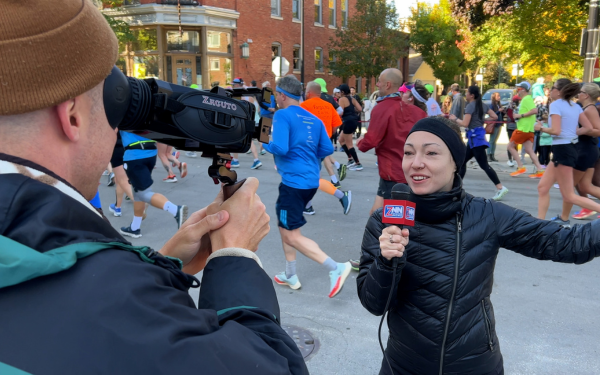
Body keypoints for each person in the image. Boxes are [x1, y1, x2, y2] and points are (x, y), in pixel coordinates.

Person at [0, 1, 308, 373]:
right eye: (113, 107)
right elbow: (269, 366)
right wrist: (235, 261)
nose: (116, 127)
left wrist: (162, 264)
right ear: (73, 117)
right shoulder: (115, 304)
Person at [357, 116, 600, 375]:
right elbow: (374, 304)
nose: (416, 163)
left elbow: (570, 243)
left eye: (431, 153)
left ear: (455, 163)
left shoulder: (487, 215)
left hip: (475, 365)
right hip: (402, 365)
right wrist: (385, 261)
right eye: (408, 153)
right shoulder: (385, 220)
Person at [263, 76, 352, 298]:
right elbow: (325, 150)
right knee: (286, 228)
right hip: (310, 182)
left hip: (293, 184)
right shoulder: (313, 119)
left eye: (276, 94)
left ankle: (336, 268)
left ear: (283, 95)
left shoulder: (282, 115)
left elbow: (280, 148)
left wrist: (265, 141)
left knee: (291, 235)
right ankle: (290, 274)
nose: (276, 98)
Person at [357, 68, 427, 216]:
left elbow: (371, 140)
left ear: (388, 84)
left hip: (393, 174)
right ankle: (374, 239)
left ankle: (383, 238)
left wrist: (360, 143)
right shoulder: (418, 113)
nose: (377, 84)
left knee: (393, 221)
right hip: (408, 171)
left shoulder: (382, 108)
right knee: (376, 214)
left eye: (379, 82)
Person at [536, 79, 600, 227]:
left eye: (553, 87)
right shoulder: (574, 106)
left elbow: (556, 131)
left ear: (559, 91)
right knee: (543, 187)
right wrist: (573, 133)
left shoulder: (556, 105)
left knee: (569, 195)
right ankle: (539, 224)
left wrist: (540, 128)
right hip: (567, 149)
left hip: (564, 150)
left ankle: (558, 220)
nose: (550, 90)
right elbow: (589, 127)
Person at [119, 132, 188, 238]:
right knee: (138, 190)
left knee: (143, 193)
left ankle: (175, 210)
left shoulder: (123, 115)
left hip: (135, 154)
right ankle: (134, 228)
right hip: (150, 152)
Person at [300, 80, 352, 214]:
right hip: (323, 144)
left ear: (309, 93)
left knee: (312, 177)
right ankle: (307, 205)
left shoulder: (305, 106)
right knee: (312, 175)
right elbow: (336, 124)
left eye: (306, 91)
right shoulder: (328, 106)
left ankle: (342, 196)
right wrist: (328, 134)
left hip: (309, 145)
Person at [451, 86, 509, 200]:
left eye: (467, 92)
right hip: (477, 138)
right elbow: (495, 116)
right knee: (462, 162)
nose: (466, 94)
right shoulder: (483, 105)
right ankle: (456, 189)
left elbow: (465, 123)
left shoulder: (470, 106)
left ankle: (500, 187)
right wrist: (482, 120)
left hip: (475, 140)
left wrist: (454, 119)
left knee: (484, 165)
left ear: (472, 95)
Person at [571, 84, 600, 219]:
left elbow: (598, 130)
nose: (578, 94)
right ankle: (587, 208)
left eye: (581, 92)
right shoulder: (586, 108)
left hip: (586, 150)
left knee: (570, 185)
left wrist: (579, 130)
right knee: (586, 186)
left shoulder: (589, 109)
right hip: (585, 149)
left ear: (587, 95)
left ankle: (564, 217)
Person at [507, 82, 545, 177]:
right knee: (529, 150)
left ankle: (520, 167)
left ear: (523, 90)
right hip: (529, 130)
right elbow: (533, 113)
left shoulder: (526, 99)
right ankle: (540, 170)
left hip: (523, 129)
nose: (517, 91)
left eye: (519, 89)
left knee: (510, 147)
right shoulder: (527, 99)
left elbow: (534, 110)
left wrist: (520, 115)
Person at [230, 77, 263, 169]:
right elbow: (258, 108)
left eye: (234, 85)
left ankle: (236, 161)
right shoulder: (251, 95)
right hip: (253, 120)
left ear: (237, 85)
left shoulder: (239, 95)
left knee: (236, 140)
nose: (233, 86)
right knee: (250, 141)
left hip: (242, 121)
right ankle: (256, 160)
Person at [108, 132, 134, 217]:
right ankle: (117, 207)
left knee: (123, 180)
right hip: (128, 146)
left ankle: (138, 203)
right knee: (119, 179)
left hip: (117, 147)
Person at [338, 84, 364, 170]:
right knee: (341, 140)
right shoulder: (353, 99)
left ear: (342, 92)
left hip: (347, 121)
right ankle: (350, 159)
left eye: (340, 91)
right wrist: (353, 111)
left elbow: (340, 112)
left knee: (349, 144)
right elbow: (360, 109)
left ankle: (358, 163)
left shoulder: (342, 99)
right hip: (354, 121)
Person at [487, 92, 505, 162]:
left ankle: (492, 155)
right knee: (491, 140)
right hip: (494, 125)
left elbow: (500, 115)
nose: (499, 97)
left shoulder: (498, 105)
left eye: (499, 96)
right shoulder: (492, 105)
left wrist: (503, 112)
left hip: (499, 124)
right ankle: (488, 155)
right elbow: (492, 114)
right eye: (498, 96)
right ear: (494, 97)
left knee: (495, 141)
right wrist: (498, 111)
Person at [505, 95, 520, 166]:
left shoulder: (509, 106)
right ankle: (512, 159)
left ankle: (512, 159)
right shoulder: (514, 107)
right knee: (513, 143)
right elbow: (512, 117)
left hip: (512, 127)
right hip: (513, 127)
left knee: (512, 143)